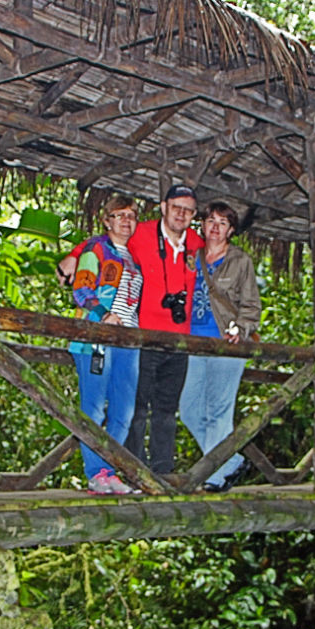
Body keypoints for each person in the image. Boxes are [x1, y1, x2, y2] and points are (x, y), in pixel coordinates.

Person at [179, 202, 261, 491]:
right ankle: (231, 462)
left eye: (222, 223)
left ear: (231, 230)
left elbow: (251, 306)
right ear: (201, 224)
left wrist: (240, 328)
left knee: (218, 412)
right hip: (193, 342)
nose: (215, 227)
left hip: (227, 343)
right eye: (210, 221)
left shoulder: (241, 261)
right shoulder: (191, 257)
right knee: (188, 408)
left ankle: (214, 478)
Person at [125, 184, 204, 475]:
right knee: (137, 407)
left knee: (167, 410)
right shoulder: (141, 233)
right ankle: (135, 469)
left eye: (188, 210)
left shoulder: (197, 243)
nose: (181, 214)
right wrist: (76, 254)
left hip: (179, 340)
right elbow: (107, 242)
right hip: (144, 336)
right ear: (163, 207)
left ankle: (162, 471)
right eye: (176, 207)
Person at [68, 196, 143, 495]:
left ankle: (110, 471)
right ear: (107, 220)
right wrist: (103, 315)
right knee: (94, 408)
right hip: (96, 338)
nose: (126, 220)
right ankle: (96, 473)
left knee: (124, 410)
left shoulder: (134, 258)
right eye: (119, 215)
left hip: (128, 339)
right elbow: (82, 288)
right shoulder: (96, 249)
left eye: (131, 215)